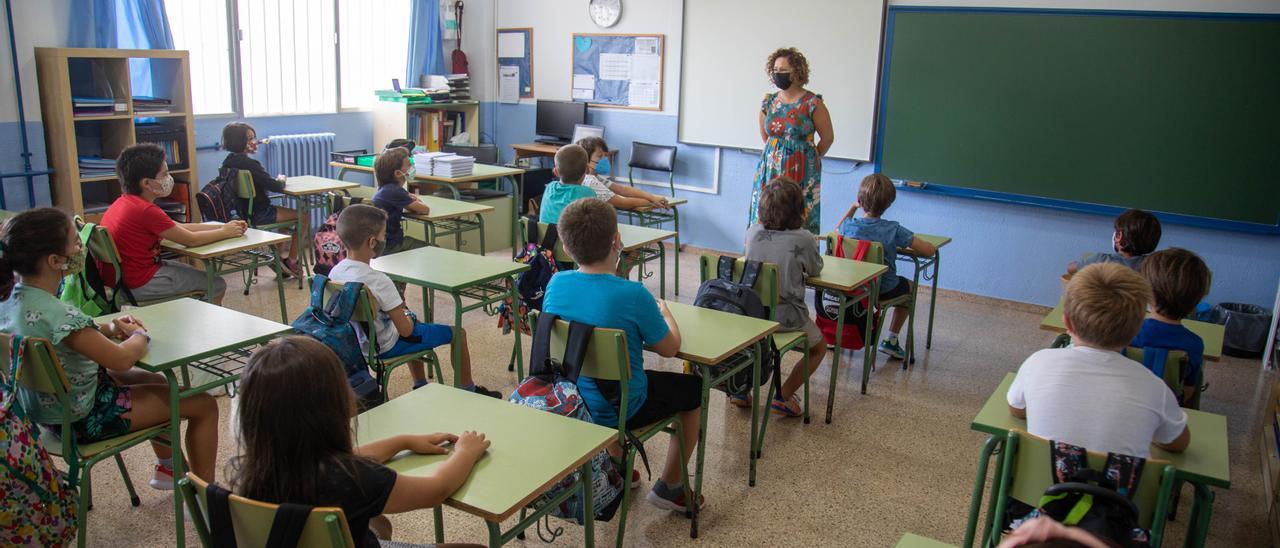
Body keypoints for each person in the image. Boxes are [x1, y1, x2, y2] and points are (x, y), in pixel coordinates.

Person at [1, 208, 220, 486]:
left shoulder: (8, 302)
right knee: (203, 404)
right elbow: (121, 359)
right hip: (86, 417)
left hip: (43, 414)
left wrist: (110, 328)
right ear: (55, 260)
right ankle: (203, 498)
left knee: (155, 381)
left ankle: (169, 469)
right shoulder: (59, 315)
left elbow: (68, 334)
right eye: (76, 242)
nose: (81, 248)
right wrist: (139, 335)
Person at [228, 336, 488, 548]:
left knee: (378, 521)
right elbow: (436, 490)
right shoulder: (355, 479)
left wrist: (403, 441)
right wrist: (465, 452)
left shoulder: (251, 470)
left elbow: (347, 459)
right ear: (332, 406)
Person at [541, 199, 702, 512]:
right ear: (617, 241)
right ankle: (671, 486)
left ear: (564, 245)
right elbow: (669, 349)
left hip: (570, 400)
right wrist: (668, 316)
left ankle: (617, 463)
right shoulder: (634, 294)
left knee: (598, 378)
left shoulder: (556, 283)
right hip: (622, 406)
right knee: (693, 390)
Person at [1007, 263, 1190, 459]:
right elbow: (1179, 442)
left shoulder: (1038, 362)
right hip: (1120, 490)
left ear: (1067, 322)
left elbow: (1016, 408)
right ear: (1136, 330)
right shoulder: (1154, 387)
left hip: (1040, 488)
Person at [327, 204, 499, 398]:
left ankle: (421, 384)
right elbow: (406, 331)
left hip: (357, 346)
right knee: (457, 333)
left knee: (410, 322)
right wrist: (408, 316)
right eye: (384, 236)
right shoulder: (379, 281)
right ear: (372, 242)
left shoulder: (335, 272)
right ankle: (468, 389)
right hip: (384, 347)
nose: (386, 239)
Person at [102, 143, 246, 305]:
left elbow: (177, 227)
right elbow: (190, 240)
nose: (169, 178)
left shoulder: (126, 203)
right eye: (164, 174)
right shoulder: (145, 210)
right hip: (141, 282)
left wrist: (221, 226)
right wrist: (225, 232)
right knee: (216, 284)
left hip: (125, 281)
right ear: (147, 183)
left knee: (198, 276)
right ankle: (203, 326)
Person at [743, 177, 827, 417]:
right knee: (819, 348)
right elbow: (815, 269)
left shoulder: (752, 232)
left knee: (751, 345)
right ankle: (784, 394)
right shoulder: (804, 238)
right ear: (799, 211)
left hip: (751, 316)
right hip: (786, 318)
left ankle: (740, 392)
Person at [837, 174, 936, 360]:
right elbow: (928, 251)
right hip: (884, 289)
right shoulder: (893, 229)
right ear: (889, 204)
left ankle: (839, 334)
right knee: (911, 287)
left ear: (859, 200)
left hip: (855, 288)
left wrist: (852, 207)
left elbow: (837, 229)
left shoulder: (849, 227)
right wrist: (931, 246)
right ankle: (891, 339)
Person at [749, 47, 834, 235]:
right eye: (775, 70)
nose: (778, 74)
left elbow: (827, 138)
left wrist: (808, 157)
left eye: (783, 70)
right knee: (768, 212)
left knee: (797, 216)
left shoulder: (813, 103)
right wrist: (776, 152)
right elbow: (766, 135)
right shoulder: (769, 101)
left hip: (802, 170)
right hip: (770, 168)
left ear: (796, 71)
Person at [220, 122, 303, 276]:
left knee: (284, 218)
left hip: (242, 213)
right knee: (303, 215)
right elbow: (275, 186)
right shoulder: (250, 164)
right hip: (260, 213)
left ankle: (277, 259)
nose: (254, 141)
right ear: (239, 142)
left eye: (254, 137)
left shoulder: (228, 162)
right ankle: (292, 260)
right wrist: (281, 179)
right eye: (249, 139)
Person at [1131, 248, 1212, 405]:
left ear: (1145, 293)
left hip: (1126, 405)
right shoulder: (1194, 344)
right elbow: (1188, 392)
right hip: (1169, 410)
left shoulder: (1126, 331)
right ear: (1195, 302)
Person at [576, 137, 670, 211]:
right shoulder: (589, 181)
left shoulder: (595, 178)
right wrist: (651, 201)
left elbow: (623, 190)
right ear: (586, 159)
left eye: (606, 155)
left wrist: (652, 197)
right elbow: (623, 203)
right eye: (600, 156)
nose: (605, 159)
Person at [1065, 209, 1161, 276]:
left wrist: (1080, 263)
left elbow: (1070, 269)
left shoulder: (1101, 260)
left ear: (1119, 236)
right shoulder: (1152, 266)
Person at [371, 147, 430, 255]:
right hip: (390, 246)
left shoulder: (385, 189)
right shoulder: (394, 191)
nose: (412, 167)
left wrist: (408, 198)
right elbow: (425, 209)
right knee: (434, 249)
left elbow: (408, 205)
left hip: (380, 244)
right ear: (398, 173)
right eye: (409, 164)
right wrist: (413, 199)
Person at [538, 144, 598, 225]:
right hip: (570, 237)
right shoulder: (588, 193)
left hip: (545, 236)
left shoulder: (550, 187)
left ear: (556, 172)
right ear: (587, 170)